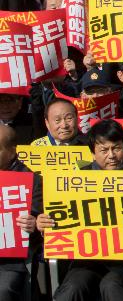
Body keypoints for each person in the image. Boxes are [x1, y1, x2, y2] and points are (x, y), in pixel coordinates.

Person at [41, 120, 123, 301]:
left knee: (112, 286)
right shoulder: (76, 181)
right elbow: (59, 228)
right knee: (72, 288)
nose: (111, 155)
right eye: (104, 150)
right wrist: (45, 226)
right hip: (85, 260)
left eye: (116, 148)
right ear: (93, 153)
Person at [0, 124, 36, 301]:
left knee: (3, 291)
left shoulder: (31, 180)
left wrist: (34, 223)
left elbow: (43, 220)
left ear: (13, 151)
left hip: (9, 263)